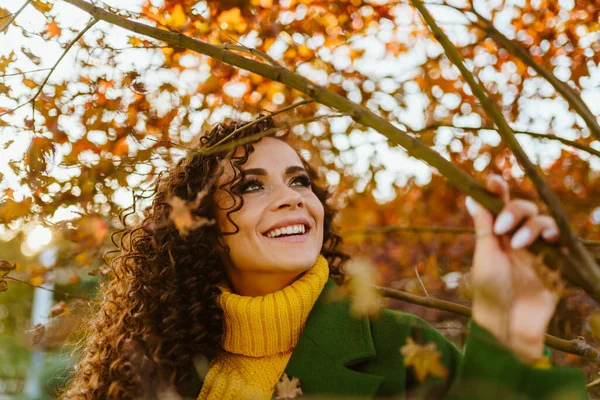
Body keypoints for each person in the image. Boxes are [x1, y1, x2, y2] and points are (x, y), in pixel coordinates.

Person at [60, 116, 588, 400]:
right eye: (251, 185)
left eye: (299, 180)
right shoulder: (150, 372)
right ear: (198, 227)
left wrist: (512, 332)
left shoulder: (403, 349)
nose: (293, 197)